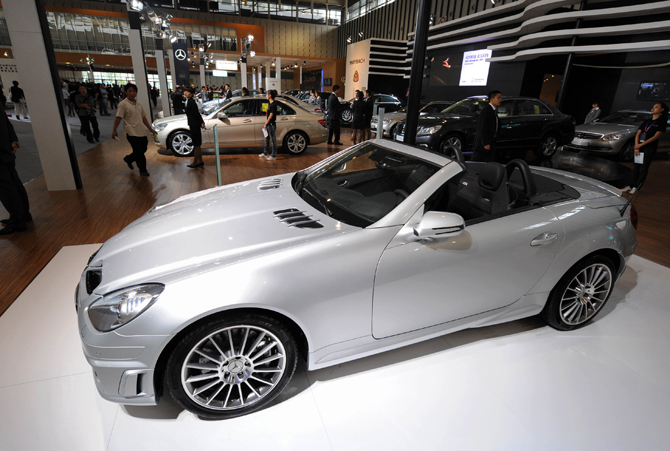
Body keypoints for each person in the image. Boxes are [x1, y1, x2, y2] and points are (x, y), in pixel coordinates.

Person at [621, 102, 668, 194]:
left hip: (649, 148)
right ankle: (630, 185)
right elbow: (638, 134)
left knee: (643, 168)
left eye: (656, 107)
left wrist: (641, 145)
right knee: (636, 167)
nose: (653, 109)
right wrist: (636, 146)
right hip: (639, 147)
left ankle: (636, 187)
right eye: (653, 107)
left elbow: (655, 137)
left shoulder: (661, 122)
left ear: (662, 110)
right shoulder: (647, 121)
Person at [112, 83, 157, 177]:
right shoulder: (123, 104)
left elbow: (144, 118)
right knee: (139, 152)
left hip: (141, 131)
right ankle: (143, 170)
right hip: (131, 132)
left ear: (136, 92)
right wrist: (114, 130)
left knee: (143, 149)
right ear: (126, 92)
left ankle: (129, 159)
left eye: (134, 91)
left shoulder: (139, 104)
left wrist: (150, 129)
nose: (132, 93)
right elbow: (118, 118)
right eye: (130, 91)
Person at [0, 114, 31, 235]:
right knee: (15, 183)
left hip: (2, 151)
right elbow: (7, 123)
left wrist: (7, 146)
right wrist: (12, 141)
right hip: (6, 152)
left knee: (6, 189)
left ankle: (17, 221)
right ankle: (22, 215)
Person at [472, 90, 501, 162]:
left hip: (491, 143)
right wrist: (485, 143)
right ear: (492, 99)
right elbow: (482, 128)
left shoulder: (493, 111)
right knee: (477, 162)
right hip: (482, 145)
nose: (500, 100)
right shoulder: (486, 111)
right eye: (498, 98)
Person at [183, 87, 205, 168]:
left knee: (196, 144)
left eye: (188, 92)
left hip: (194, 124)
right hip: (193, 124)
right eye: (185, 91)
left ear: (192, 94)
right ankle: (200, 161)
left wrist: (201, 122)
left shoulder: (191, 102)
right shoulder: (188, 101)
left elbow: (196, 113)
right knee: (197, 144)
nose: (186, 93)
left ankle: (196, 162)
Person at [260, 89, 278, 161]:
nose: (266, 96)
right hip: (269, 125)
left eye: (267, 94)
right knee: (267, 139)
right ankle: (265, 153)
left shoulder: (273, 104)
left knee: (273, 140)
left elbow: (271, 115)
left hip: (271, 124)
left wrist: (266, 123)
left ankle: (273, 155)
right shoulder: (270, 104)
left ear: (270, 95)